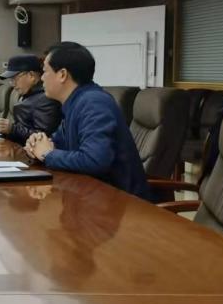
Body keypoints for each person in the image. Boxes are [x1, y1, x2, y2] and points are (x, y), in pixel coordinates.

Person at [24, 41, 150, 200]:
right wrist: (36, 145)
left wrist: (47, 154)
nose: (42, 78)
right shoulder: (75, 102)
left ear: (62, 74)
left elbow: (94, 160)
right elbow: (58, 142)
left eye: (45, 72)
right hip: (91, 196)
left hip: (121, 203)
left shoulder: (93, 103)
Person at [0, 55, 61, 145]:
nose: (13, 84)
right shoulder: (29, 94)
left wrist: (12, 129)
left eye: (15, 78)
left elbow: (44, 137)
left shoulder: (46, 99)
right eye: (11, 80)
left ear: (31, 75)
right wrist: (4, 130)